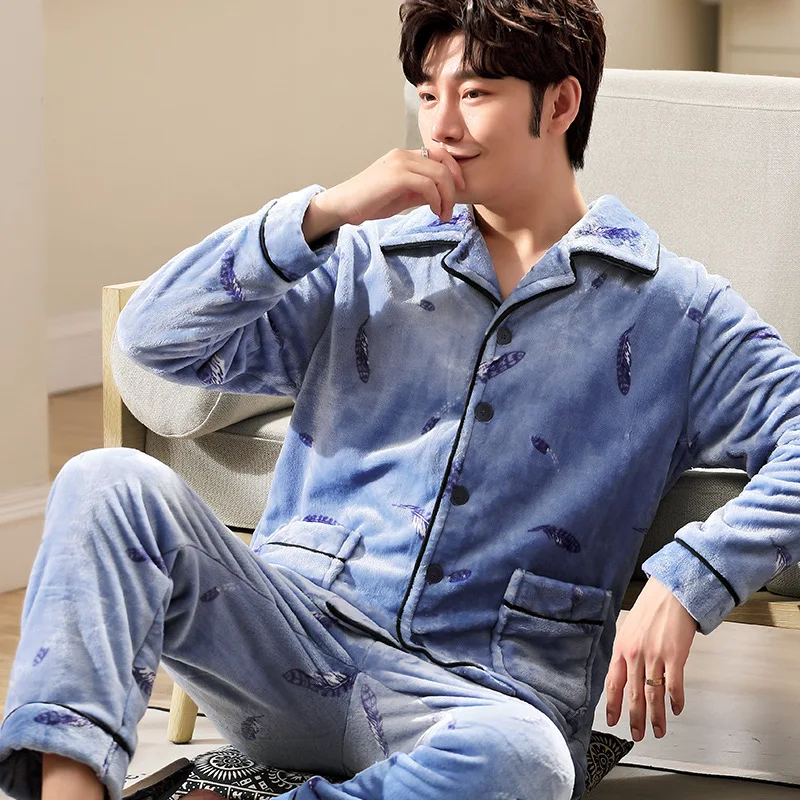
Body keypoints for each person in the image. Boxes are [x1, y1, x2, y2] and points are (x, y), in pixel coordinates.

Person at [2, 0, 799, 798]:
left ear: (560, 102)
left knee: (527, 765)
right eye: (426, 93)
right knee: (104, 481)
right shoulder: (364, 257)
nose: (440, 126)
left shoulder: (673, 310)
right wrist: (325, 211)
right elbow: (154, 339)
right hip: (291, 647)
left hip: (481, 701)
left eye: (475, 93)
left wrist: (689, 580)